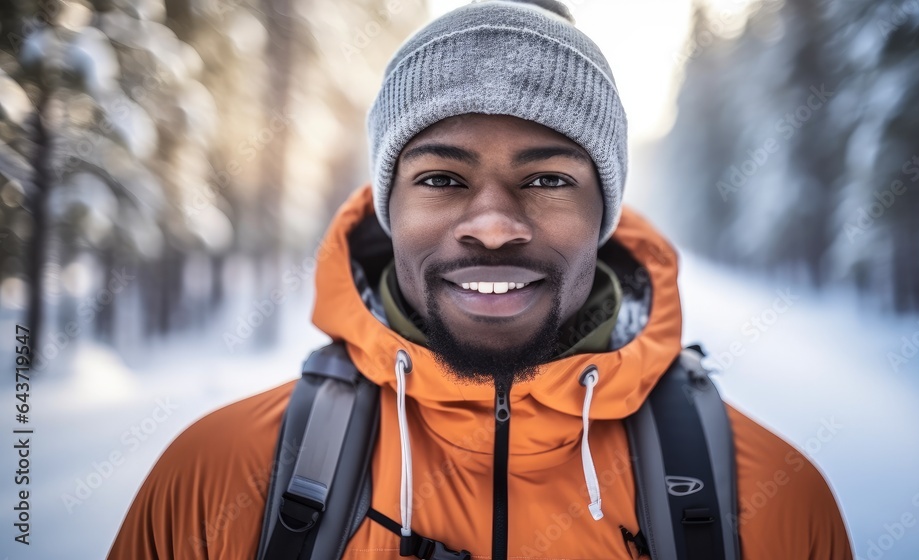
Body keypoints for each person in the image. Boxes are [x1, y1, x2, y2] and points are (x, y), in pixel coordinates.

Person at [109, 1, 853, 558]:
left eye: (548, 179)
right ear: (386, 208)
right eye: (440, 176)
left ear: (605, 216)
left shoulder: (772, 500)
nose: (494, 224)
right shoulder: (220, 476)